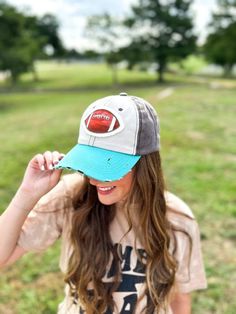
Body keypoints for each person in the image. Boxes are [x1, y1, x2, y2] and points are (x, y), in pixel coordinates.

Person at [0, 93, 207, 314]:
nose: (93, 178)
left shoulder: (177, 219)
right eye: (89, 162)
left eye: (107, 165)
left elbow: (180, 298)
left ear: (144, 163)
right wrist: (26, 195)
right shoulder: (71, 196)